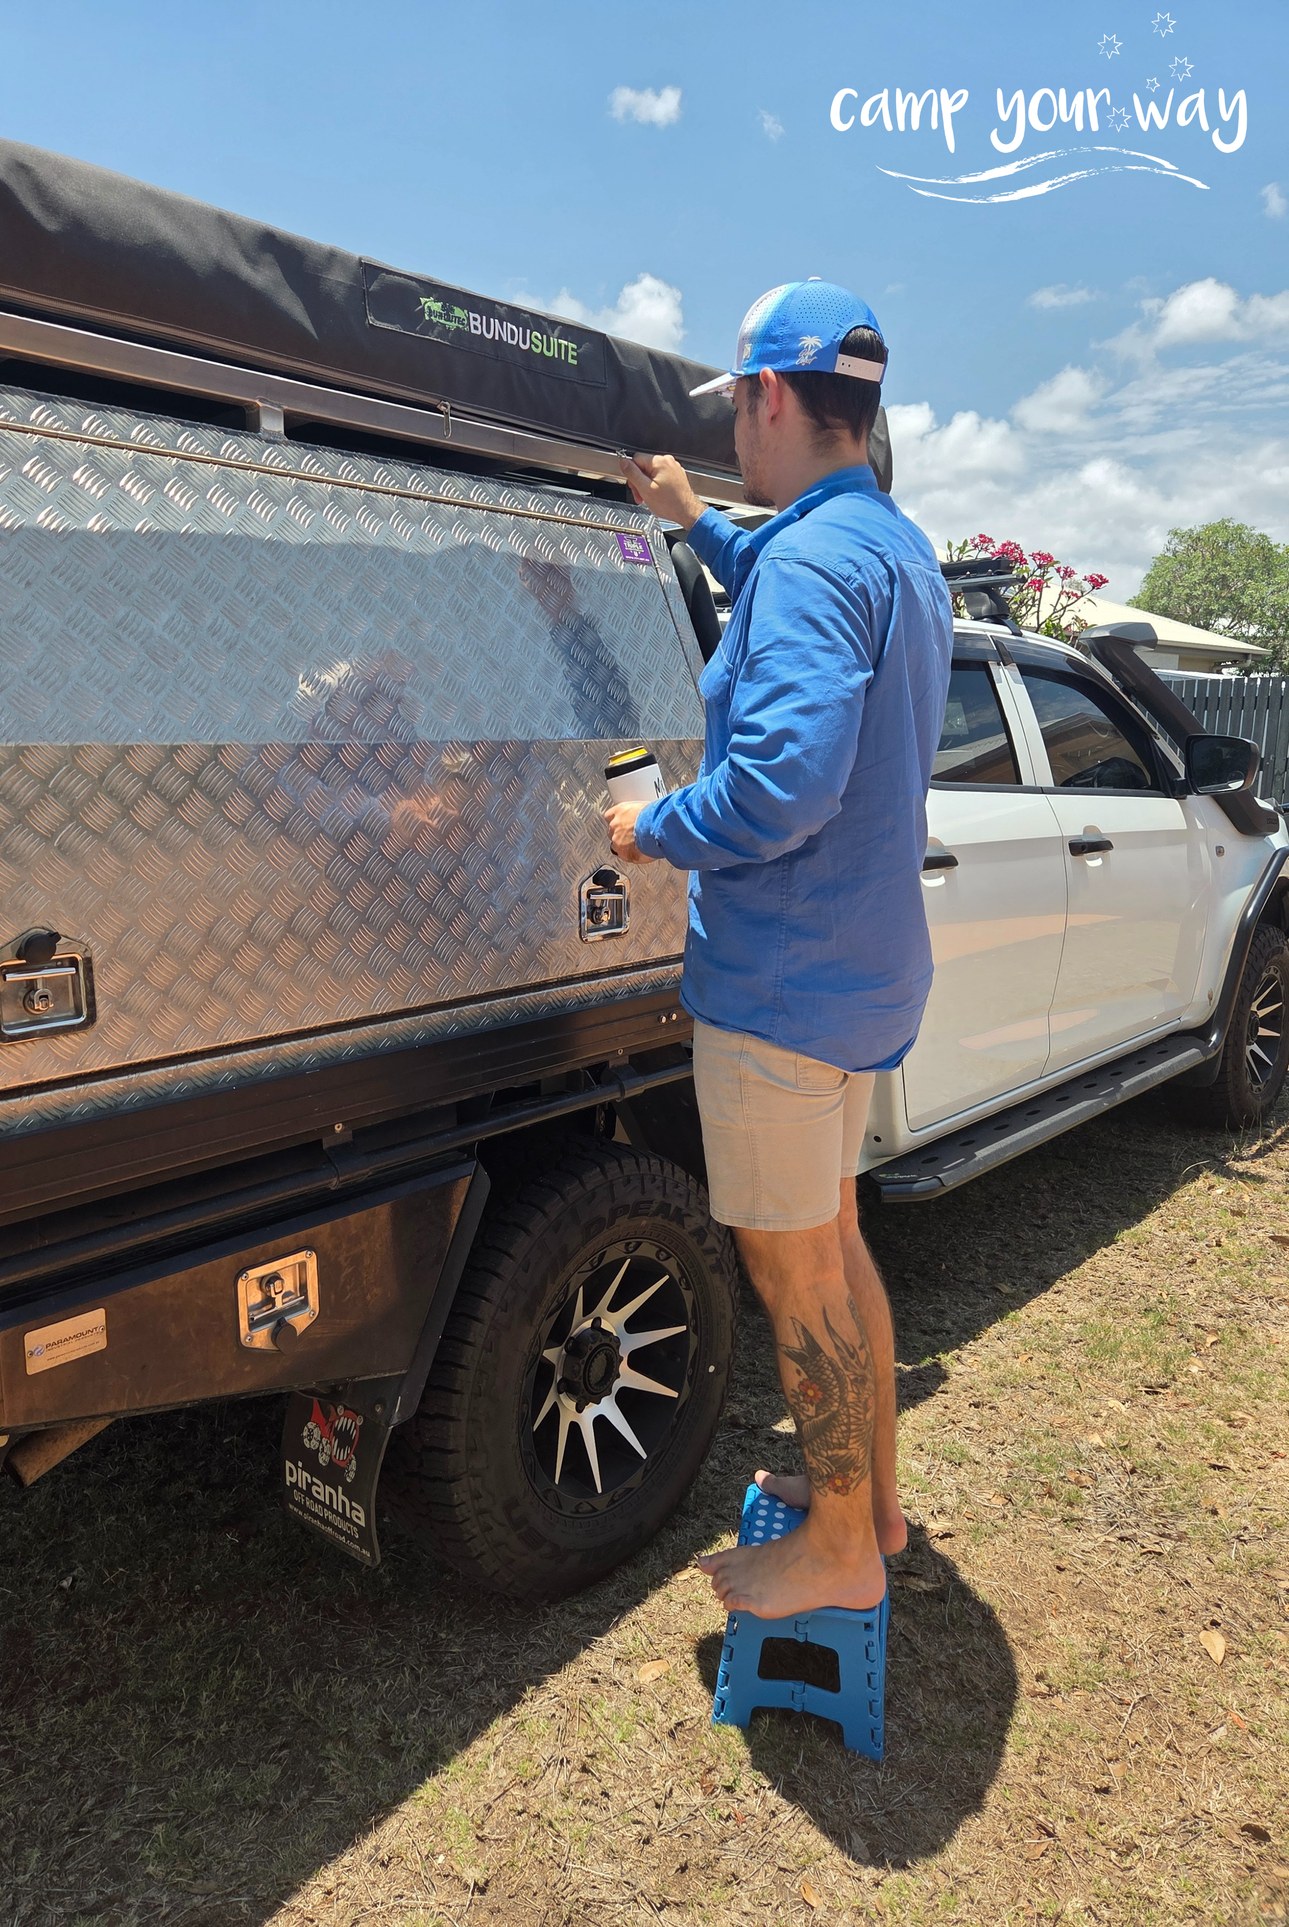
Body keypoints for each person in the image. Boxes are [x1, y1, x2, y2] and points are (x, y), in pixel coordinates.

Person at [606, 281, 952, 1620]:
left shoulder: (816, 566)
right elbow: (791, 590)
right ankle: (869, 1501)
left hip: (781, 987)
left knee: (793, 1265)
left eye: (732, 415)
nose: (726, 441)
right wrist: (701, 530)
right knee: (837, 1242)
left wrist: (651, 828)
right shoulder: (882, 547)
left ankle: (842, 1553)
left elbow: (781, 786)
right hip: (856, 976)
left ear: (765, 396)